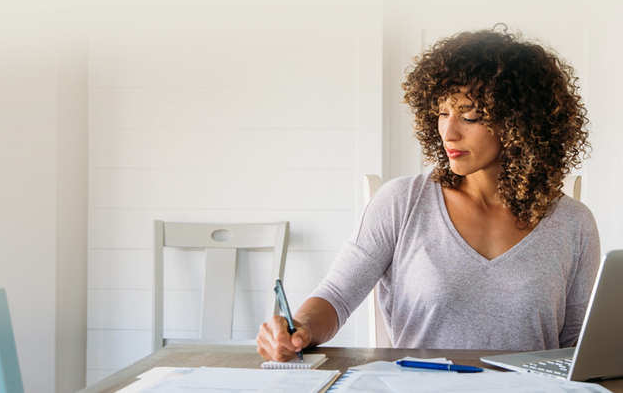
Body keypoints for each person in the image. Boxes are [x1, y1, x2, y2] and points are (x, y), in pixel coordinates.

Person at [257, 25, 600, 362]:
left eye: (471, 116)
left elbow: (578, 347)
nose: (448, 133)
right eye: (442, 113)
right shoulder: (402, 202)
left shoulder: (573, 223)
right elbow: (335, 297)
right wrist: (298, 328)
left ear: (520, 123)